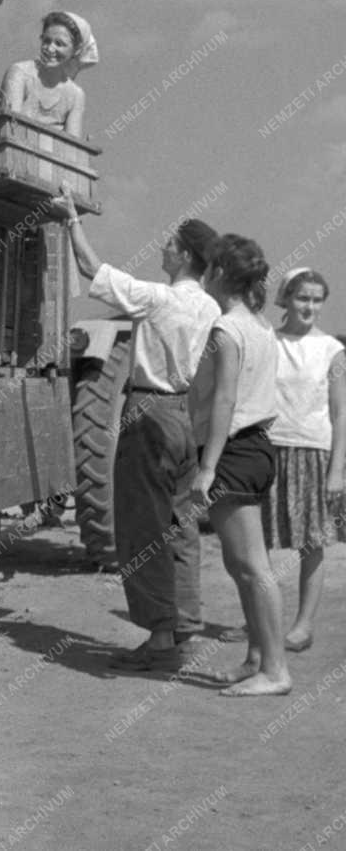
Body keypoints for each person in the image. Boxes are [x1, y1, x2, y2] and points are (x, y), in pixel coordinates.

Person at [55, 183, 219, 670]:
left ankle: (161, 642)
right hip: (192, 416)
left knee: (143, 529)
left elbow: (90, 269)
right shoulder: (211, 308)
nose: (163, 247)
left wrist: (70, 219)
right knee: (181, 527)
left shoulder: (159, 299)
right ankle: (184, 627)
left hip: (150, 415)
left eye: (171, 242)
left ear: (185, 255)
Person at [189, 234, 291, 696]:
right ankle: (257, 658)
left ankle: (275, 671)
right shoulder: (260, 326)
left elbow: (225, 400)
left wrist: (207, 467)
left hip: (235, 452)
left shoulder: (227, 329)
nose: (203, 276)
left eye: (209, 268)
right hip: (256, 449)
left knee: (253, 566)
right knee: (240, 564)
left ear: (221, 275)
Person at [260, 267, 346, 652]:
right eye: (302, 298)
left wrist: (337, 471)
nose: (309, 306)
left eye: (316, 299)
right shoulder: (269, 342)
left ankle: (303, 626)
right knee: (257, 541)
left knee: (311, 542)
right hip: (270, 448)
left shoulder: (333, 350)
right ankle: (261, 621)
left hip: (313, 451)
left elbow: (341, 413)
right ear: (286, 299)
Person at [0, 11, 98, 137]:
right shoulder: (20, 73)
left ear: (76, 50)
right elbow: (11, 128)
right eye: (46, 41)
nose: (50, 49)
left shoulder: (75, 95)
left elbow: (72, 148)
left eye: (59, 44)